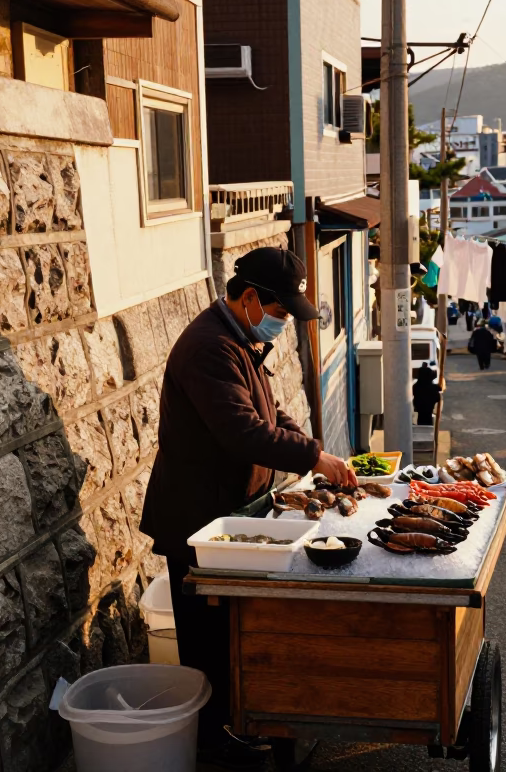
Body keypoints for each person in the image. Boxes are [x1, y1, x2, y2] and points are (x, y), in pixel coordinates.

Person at [141, 247, 357, 769]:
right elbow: (242, 431)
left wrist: (305, 443)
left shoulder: (237, 338)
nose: (283, 323)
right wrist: (313, 456)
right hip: (196, 518)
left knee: (232, 631)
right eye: (281, 313)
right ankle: (215, 744)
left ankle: (235, 727)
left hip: (229, 511)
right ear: (252, 299)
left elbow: (265, 407)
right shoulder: (209, 348)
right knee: (208, 638)